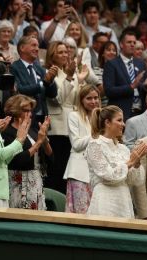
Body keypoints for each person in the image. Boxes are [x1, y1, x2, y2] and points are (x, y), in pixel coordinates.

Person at [85, 105, 147, 218]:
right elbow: (107, 176)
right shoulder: (95, 145)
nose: (123, 124)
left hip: (124, 201)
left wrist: (136, 163)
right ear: (107, 122)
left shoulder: (123, 148)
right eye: (119, 120)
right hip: (105, 201)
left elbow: (132, 181)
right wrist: (130, 162)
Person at [44, 40, 89, 193]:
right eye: (60, 52)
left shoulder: (71, 72)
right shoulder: (49, 74)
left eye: (66, 52)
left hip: (75, 127)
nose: (65, 54)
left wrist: (80, 80)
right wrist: (70, 77)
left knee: (71, 169)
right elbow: (58, 99)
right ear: (52, 56)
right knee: (58, 169)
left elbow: (78, 100)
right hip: (58, 129)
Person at [2, 94, 53, 210]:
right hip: (18, 182)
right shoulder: (7, 132)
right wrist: (39, 142)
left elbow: (51, 158)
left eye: (30, 111)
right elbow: (19, 160)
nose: (29, 114)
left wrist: (44, 140)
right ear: (15, 111)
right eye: (25, 110)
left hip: (35, 180)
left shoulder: (33, 130)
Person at [64, 85, 100, 213]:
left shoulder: (102, 116)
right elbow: (76, 144)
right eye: (89, 98)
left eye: (96, 98)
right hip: (79, 172)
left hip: (98, 172)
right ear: (81, 100)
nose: (93, 101)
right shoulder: (74, 116)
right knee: (81, 213)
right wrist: (96, 133)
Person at [11, 35, 58, 128]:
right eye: (33, 45)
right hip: (25, 117)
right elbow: (20, 90)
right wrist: (43, 83)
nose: (37, 49)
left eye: (38, 46)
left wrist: (51, 81)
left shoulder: (41, 69)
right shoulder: (14, 67)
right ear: (22, 48)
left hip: (42, 118)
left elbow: (53, 94)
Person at [103, 29, 145, 120]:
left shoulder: (140, 63)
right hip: (121, 114)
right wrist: (131, 87)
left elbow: (142, 88)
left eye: (134, 42)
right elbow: (109, 91)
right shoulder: (111, 64)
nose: (132, 44)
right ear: (121, 44)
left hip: (141, 113)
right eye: (129, 42)